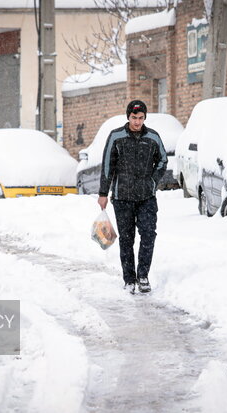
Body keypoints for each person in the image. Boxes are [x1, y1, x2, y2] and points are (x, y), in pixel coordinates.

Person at [98, 100, 167, 294]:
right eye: (134, 118)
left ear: (145, 118)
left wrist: (153, 182)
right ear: (128, 117)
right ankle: (129, 279)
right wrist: (103, 193)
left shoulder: (152, 137)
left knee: (148, 235)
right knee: (127, 240)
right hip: (122, 197)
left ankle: (143, 275)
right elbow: (107, 166)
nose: (137, 122)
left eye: (141, 118)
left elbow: (162, 160)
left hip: (146, 197)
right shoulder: (116, 136)